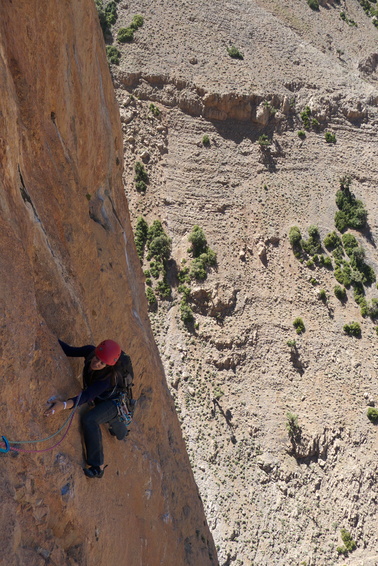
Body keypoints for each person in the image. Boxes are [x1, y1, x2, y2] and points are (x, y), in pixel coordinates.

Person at [44, 339, 132, 478]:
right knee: (110, 421)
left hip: (113, 403)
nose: (96, 363)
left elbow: (86, 396)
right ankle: (120, 430)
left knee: (91, 419)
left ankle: (98, 466)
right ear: (95, 352)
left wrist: (64, 405)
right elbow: (69, 350)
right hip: (102, 398)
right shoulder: (90, 351)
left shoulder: (107, 379)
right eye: (97, 358)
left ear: (108, 365)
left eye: (102, 363)